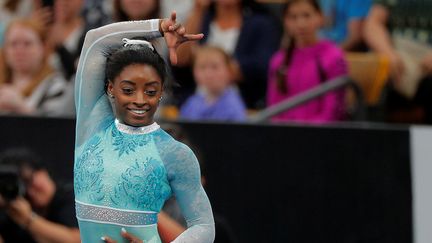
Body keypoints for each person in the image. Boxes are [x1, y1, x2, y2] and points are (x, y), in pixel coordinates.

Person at [73, 11, 215, 243]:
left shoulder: (175, 153)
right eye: (128, 90)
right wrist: (158, 27)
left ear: (161, 93)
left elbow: (204, 227)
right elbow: (94, 40)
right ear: (110, 88)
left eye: (150, 91)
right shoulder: (92, 124)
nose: (140, 100)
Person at [175, 0, 281, 109]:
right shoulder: (202, 18)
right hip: (198, 102)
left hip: (244, 106)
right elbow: (178, 59)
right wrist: (198, 9)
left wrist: (205, 64)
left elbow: (262, 66)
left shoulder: (261, 22)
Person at [266, 0, 347, 123]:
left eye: (307, 15)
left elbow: (332, 112)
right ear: (285, 21)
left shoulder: (333, 57)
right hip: (284, 135)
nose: (301, 24)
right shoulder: (278, 61)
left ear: (320, 17)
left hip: (321, 135)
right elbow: (274, 109)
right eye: (293, 17)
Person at [364, 0, 432, 124]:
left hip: (427, 53)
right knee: (372, 73)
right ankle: (374, 135)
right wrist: (388, 54)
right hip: (396, 49)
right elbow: (373, 24)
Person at [0, 147, 80, 243]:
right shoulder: (11, 210)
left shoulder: (71, 197)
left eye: (29, 180)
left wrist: (28, 219)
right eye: (22, 186)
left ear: (43, 171)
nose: (30, 191)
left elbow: (78, 239)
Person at [0, 18, 74, 117]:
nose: (19, 50)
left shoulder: (56, 86)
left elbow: (55, 127)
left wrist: (21, 108)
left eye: (27, 44)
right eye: (13, 44)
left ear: (43, 48)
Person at [180, 45, 247, 121]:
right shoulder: (192, 103)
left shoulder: (233, 104)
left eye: (215, 67)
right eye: (202, 67)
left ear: (229, 70)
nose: (209, 74)